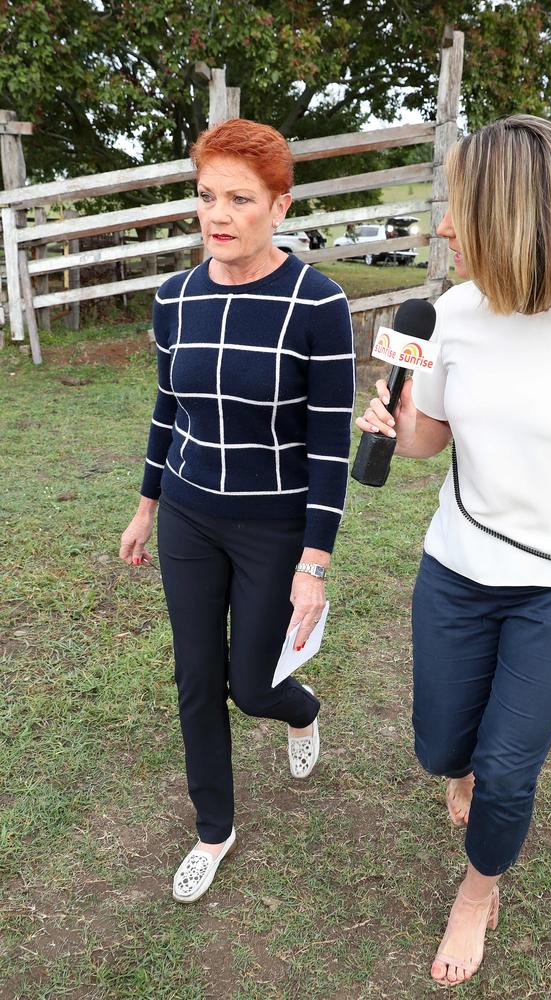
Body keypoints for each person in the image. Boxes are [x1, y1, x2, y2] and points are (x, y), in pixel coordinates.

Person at [357, 114, 551, 985]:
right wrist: (390, 422)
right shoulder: (446, 312)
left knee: (510, 769)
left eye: (458, 207)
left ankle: (479, 890)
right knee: (440, 745)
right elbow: (429, 440)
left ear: (510, 212)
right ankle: (461, 772)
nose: (442, 226)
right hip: (456, 568)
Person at [120, 119, 355, 904]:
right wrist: (146, 507)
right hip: (189, 515)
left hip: (274, 526)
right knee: (196, 678)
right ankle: (214, 829)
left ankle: (300, 708)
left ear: (279, 206)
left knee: (250, 685)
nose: (218, 215)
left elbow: (328, 448)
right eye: (206, 195)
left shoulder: (317, 305)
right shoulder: (173, 297)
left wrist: (313, 564)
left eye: (240, 199)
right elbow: (166, 411)